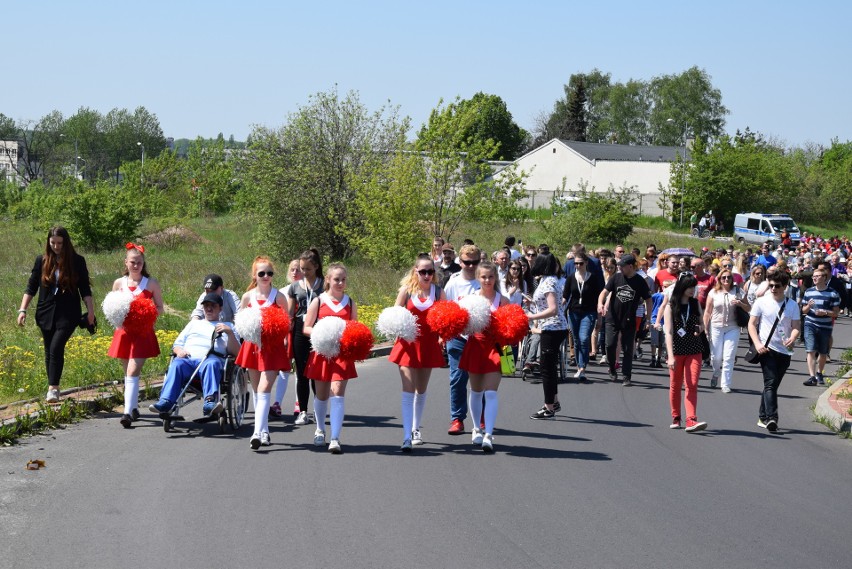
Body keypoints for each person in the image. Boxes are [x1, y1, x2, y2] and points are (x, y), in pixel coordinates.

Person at [17, 227, 96, 403]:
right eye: (53, 243)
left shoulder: (77, 261)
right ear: (48, 242)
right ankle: (52, 386)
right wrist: (23, 310)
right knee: (49, 350)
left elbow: (85, 288)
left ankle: (53, 388)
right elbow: (31, 287)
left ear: (66, 243)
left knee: (55, 348)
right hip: (45, 312)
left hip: (68, 313)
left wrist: (90, 311)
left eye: (60, 243)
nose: (56, 246)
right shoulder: (42, 260)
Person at [388, 254, 446, 451]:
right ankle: (406, 436)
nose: (427, 275)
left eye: (430, 271)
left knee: (421, 390)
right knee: (408, 389)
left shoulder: (438, 292)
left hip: (428, 345)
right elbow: (394, 315)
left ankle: (415, 429)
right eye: (423, 271)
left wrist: (442, 336)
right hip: (407, 344)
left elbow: (445, 318)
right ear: (416, 271)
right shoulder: (406, 291)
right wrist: (398, 330)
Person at [150, 293, 240, 415]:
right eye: (206, 306)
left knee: (211, 363)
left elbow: (236, 352)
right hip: (188, 361)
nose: (209, 308)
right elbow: (177, 344)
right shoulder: (194, 324)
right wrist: (179, 351)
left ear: (220, 308)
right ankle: (165, 401)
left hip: (211, 360)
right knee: (177, 364)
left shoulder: (228, 326)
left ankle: (210, 402)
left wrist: (229, 333)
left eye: (213, 306)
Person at [303, 263, 359, 454]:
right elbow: (306, 327)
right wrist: (323, 333)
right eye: (336, 279)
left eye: (343, 279)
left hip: (342, 354)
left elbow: (354, 327)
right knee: (322, 394)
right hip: (322, 352)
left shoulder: (350, 302)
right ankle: (320, 429)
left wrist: (349, 338)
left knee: (338, 393)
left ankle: (335, 437)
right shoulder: (318, 301)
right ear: (328, 279)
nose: (340, 283)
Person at [107, 243, 165, 428]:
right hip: (124, 333)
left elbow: (160, 308)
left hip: (142, 333)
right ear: (126, 262)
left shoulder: (151, 283)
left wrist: (148, 313)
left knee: (133, 370)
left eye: (139, 262)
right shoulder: (119, 283)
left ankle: (127, 413)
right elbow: (112, 306)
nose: (136, 265)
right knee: (127, 373)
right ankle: (133, 408)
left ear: (143, 263)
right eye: (132, 262)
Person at [235, 257, 289, 450]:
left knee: (264, 389)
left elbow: (286, 324)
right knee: (257, 391)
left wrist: (279, 336)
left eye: (269, 273)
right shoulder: (247, 297)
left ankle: (256, 433)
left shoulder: (279, 297)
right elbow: (240, 324)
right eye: (262, 273)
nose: (266, 277)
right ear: (254, 276)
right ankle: (264, 431)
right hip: (252, 347)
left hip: (272, 349)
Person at [459, 262, 508, 451]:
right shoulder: (470, 299)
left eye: (490, 277)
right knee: (476, 391)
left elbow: (509, 326)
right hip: (475, 346)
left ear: (495, 278)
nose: (487, 280)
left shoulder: (502, 300)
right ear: (478, 278)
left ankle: (488, 433)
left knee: (491, 392)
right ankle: (476, 429)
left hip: (494, 348)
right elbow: (462, 326)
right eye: (483, 277)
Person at [748, 268, 800, 432]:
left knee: (773, 385)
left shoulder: (792, 305)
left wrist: (793, 337)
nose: (773, 288)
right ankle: (772, 418)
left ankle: (762, 416)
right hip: (766, 349)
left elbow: (796, 326)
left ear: (785, 286)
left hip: (785, 351)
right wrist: (757, 344)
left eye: (777, 285)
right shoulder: (761, 301)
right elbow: (751, 324)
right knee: (770, 383)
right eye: (771, 285)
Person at [443, 244, 482, 435]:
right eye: (467, 262)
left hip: (480, 337)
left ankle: (481, 418)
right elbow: (447, 309)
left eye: (475, 262)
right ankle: (457, 418)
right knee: (457, 379)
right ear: (460, 261)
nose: (471, 266)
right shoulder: (453, 282)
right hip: (458, 336)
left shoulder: (485, 280)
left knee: (479, 380)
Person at [597, 254, 652, 386]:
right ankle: (612, 367)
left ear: (630, 266)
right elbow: (604, 292)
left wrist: (648, 318)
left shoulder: (639, 281)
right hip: (613, 318)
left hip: (629, 320)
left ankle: (626, 376)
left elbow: (649, 300)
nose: (620, 268)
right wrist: (600, 303)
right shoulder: (616, 277)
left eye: (622, 266)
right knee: (610, 345)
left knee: (628, 349)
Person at [664, 274, 707, 432]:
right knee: (675, 385)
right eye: (689, 287)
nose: (692, 290)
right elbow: (668, 332)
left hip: (694, 349)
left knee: (692, 384)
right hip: (676, 350)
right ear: (681, 288)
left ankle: (691, 420)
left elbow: (702, 323)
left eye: (693, 287)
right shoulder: (671, 306)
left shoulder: (695, 304)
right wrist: (669, 356)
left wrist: (700, 328)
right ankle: (676, 416)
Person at [288, 249, 324, 425]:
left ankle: (319, 410)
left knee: (317, 372)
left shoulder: (324, 285)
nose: (304, 272)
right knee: (302, 372)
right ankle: (302, 411)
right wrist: (286, 334)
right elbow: (289, 314)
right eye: (302, 268)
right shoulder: (295, 287)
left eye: (308, 269)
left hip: (320, 329)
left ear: (316, 267)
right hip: (300, 329)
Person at [703, 268, 749, 393]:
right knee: (716, 357)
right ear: (719, 279)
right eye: (723, 277)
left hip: (733, 327)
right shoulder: (713, 292)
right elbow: (707, 312)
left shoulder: (738, 291)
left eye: (729, 277)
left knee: (728, 356)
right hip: (716, 326)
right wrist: (705, 328)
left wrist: (740, 303)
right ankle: (716, 372)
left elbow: (748, 307)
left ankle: (725, 384)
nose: (726, 279)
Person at [563, 252, 603, 382]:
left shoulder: (593, 278)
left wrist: (600, 316)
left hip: (589, 312)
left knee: (584, 338)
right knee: (576, 339)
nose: (578, 266)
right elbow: (565, 296)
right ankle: (581, 364)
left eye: (580, 263)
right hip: (573, 312)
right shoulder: (570, 278)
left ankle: (582, 368)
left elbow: (599, 299)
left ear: (586, 263)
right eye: (576, 263)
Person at [271, 260, 303, 418]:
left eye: (298, 269)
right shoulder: (282, 292)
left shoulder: (306, 290)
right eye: (292, 269)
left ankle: (299, 402)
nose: (295, 272)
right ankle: (277, 403)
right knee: (283, 368)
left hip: (301, 332)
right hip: (286, 333)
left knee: (299, 368)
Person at [800, 267, 840, 386]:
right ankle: (812, 377)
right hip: (810, 323)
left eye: (817, 276)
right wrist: (808, 306)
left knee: (823, 352)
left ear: (824, 278)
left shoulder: (833, 293)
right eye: (814, 276)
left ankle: (819, 373)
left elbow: (836, 312)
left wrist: (825, 313)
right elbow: (804, 310)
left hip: (825, 326)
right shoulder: (808, 292)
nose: (814, 278)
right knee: (810, 350)